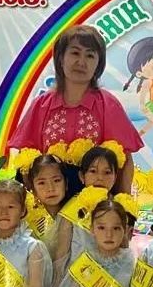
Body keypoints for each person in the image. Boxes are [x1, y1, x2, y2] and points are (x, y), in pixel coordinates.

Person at [8, 24, 144, 193]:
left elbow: (124, 160)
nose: (81, 62)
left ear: (99, 64)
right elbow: (26, 161)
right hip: (49, 203)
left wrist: (123, 204)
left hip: (96, 204)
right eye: (75, 53)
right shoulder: (41, 105)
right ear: (60, 58)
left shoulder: (108, 105)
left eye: (90, 55)